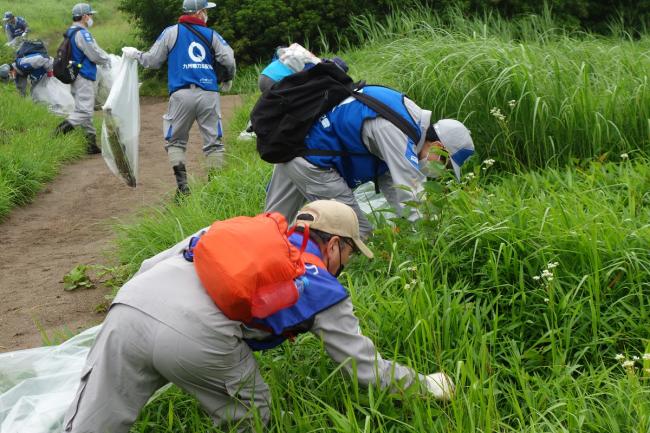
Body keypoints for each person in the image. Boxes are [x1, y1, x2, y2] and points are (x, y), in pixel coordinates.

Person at [62, 200, 454, 433]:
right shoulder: (324, 288)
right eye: (350, 256)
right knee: (256, 415)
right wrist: (428, 385)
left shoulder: (244, 232)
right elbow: (361, 368)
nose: (346, 265)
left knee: (95, 422)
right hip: (196, 335)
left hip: (132, 302)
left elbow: (152, 262)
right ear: (335, 245)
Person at [264, 85, 475, 238]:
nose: (439, 171)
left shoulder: (404, 118)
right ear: (438, 145)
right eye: (445, 164)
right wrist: (431, 240)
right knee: (357, 234)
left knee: (272, 224)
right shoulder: (397, 131)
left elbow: (393, 186)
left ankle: (265, 269)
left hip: (296, 146)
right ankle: (338, 282)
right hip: (311, 160)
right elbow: (409, 193)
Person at [121, 0, 236, 196]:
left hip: (181, 94)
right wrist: (228, 77)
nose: (207, 14)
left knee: (175, 141)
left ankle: (183, 188)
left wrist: (136, 55)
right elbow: (228, 59)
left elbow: (153, 61)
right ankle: (215, 189)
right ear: (199, 12)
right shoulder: (212, 34)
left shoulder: (170, 32)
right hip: (209, 92)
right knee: (214, 142)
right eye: (206, 11)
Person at [53, 3, 110, 155]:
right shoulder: (82, 33)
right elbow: (94, 54)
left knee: (84, 110)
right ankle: (59, 131)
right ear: (85, 16)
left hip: (76, 76)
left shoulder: (71, 31)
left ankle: (91, 144)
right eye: (90, 15)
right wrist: (107, 60)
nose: (91, 18)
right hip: (83, 76)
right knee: (84, 112)